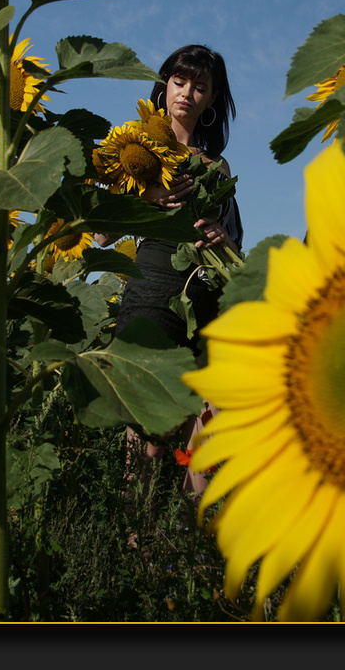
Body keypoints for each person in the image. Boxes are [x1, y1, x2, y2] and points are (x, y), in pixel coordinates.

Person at [96, 44, 241, 501]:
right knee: (149, 428)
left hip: (206, 295)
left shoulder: (217, 167)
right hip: (155, 289)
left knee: (211, 417)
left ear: (212, 100)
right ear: (164, 86)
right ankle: (134, 542)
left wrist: (222, 234)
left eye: (200, 87)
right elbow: (100, 234)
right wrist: (148, 197)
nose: (187, 93)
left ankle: (186, 543)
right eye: (180, 82)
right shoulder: (134, 148)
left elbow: (237, 243)